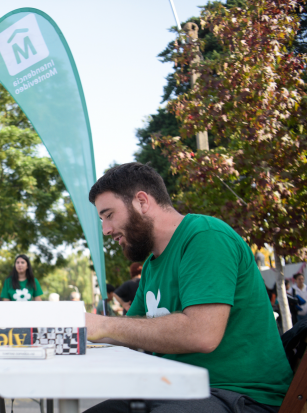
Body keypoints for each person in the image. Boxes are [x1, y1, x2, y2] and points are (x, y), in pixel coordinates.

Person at [84, 163, 292, 413]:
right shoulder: (152, 264)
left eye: (109, 215)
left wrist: (103, 325)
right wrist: (71, 330)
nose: (106, 230)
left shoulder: (206, 237)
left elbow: (202, 334)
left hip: (239, 396)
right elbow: (127, 333)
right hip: (178, 392)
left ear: (141, 201)